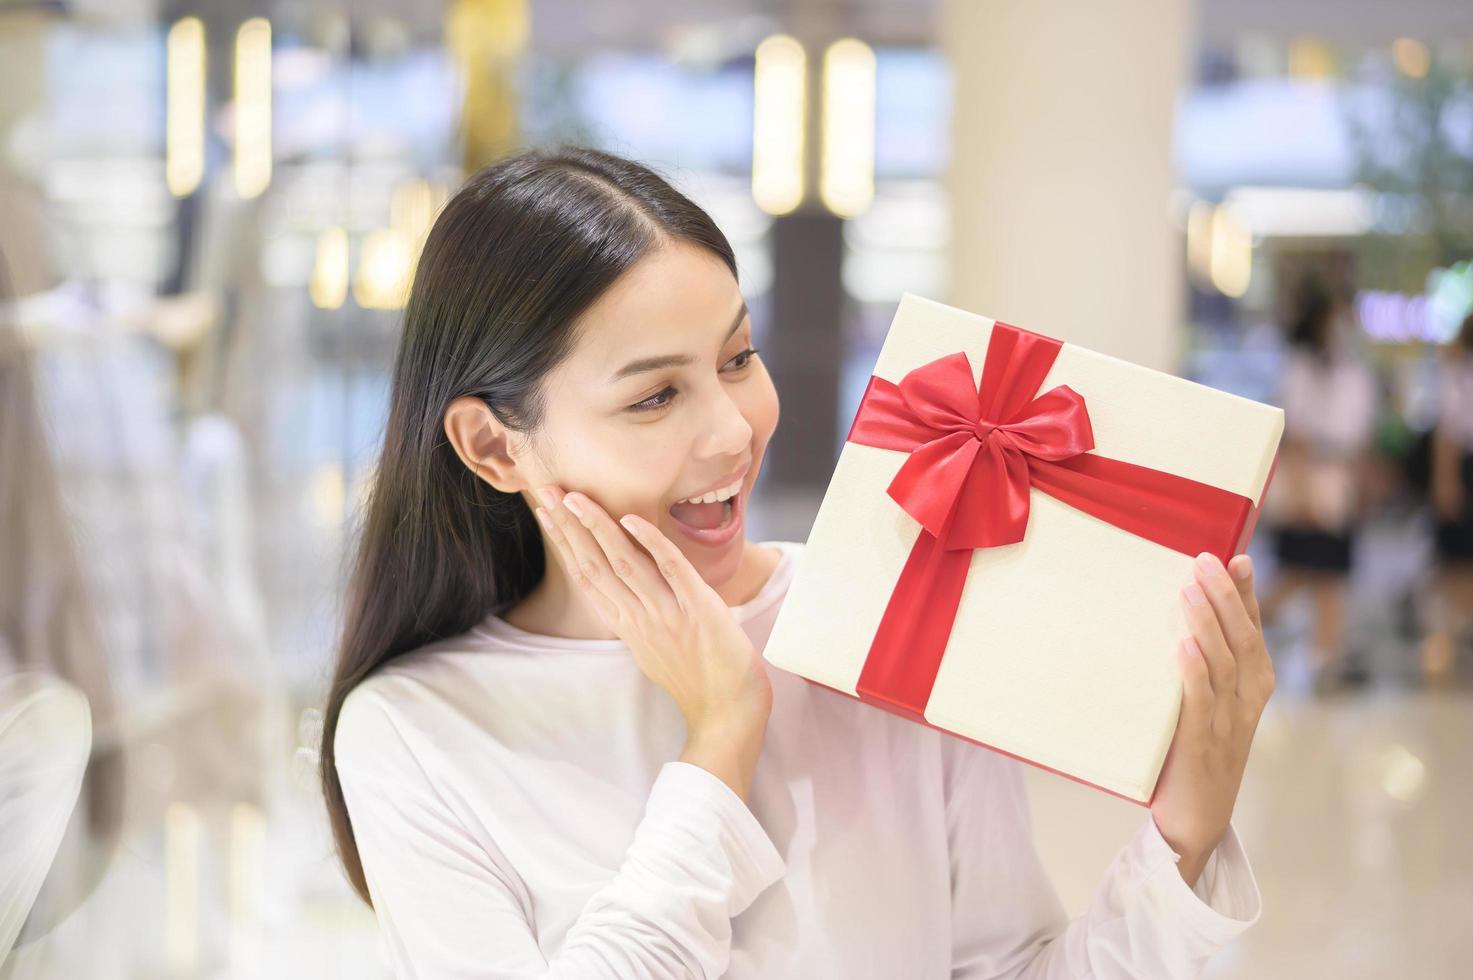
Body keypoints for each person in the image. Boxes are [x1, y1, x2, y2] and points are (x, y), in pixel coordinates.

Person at [321, 146, 1271, 978]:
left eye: (737, 357)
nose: (734, 431)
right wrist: (721, 736)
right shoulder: (413, 732)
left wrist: (1182, 841)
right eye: (655, 398)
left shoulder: (881, 616)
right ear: (493, 447)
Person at [1258, 274, 1378, 692]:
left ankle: (1326, 658)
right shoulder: (1300, 368)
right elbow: (1297, 436)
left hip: (1338, 481)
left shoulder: (1350, 370)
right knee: (1304, 572)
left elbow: (1358, 437)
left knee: (1325, 576)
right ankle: (1314, 653)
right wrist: (1306, 489)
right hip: (1311, 480)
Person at [1422, 312, 1473, 685]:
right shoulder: (1458, 374)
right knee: (1455, 568)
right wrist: (1446, 482)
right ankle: (1441, 653)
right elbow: (1447, 434)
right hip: (1464, 474)